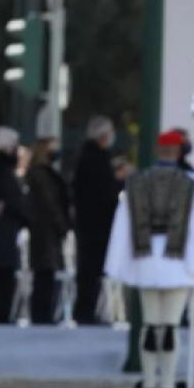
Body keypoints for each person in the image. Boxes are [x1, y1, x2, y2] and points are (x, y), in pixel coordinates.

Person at [104, 131, 194, 388]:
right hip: (177, 261)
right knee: (169, 327)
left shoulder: (136, 182)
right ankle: (166, 385)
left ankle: (149, 383)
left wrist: (120, 264)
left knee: (150, 326)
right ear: (179, 152)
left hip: (145, 260)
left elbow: (123, 226)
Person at [72, 116, 124, 324]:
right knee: (90, 271)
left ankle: (86, 310)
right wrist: (118, 183)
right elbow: (103, 192)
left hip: (89, 223)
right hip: (96, 224)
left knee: (89, 271)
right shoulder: (97, 159)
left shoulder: (88, 157)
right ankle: (85, 311)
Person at [24, 137, 71, 324]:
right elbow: (50, 202)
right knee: (45, 274)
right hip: (45, 231)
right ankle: (42, 314)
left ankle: (44, 313)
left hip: (45, 231)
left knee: (46, 274)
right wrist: (61, 224)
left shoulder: (42, 173)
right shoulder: (41, 175)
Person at [0, 127, 27, 323]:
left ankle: (0, 312)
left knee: (4, 272)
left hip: (6, 229)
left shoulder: (0, 167)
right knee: (3, 273)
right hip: (2, 230)